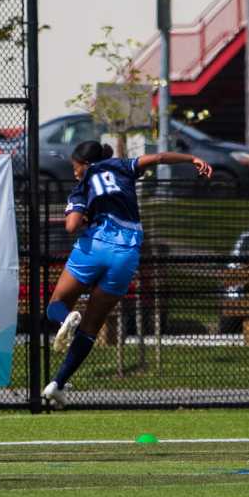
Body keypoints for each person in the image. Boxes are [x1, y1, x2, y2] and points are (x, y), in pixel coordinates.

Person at [42, 141, 211, 408]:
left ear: (85, 164)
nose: (74, 173)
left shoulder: (83, 184)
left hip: (94, 246)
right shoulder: (122, 166)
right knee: (91, 326)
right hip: (126, 254)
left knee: (56, 304)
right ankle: (58, 384)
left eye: (75, 167)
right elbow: (159, 157)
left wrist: (84, 215)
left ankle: (65, 320)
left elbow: (71, 225)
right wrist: (191, 159)